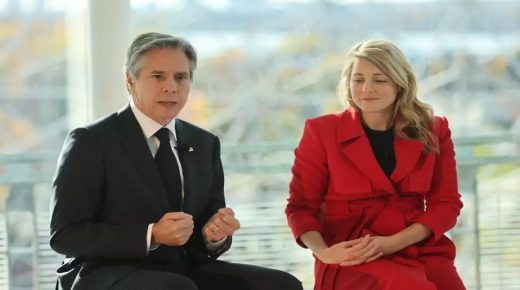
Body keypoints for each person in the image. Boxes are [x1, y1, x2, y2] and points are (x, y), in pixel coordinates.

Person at [50, 32, 303, 290]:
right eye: (158, 76)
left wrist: (213, 235)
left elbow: (206, 229)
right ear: (130, 80)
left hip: (180, 268)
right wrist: (151, 234)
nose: (171, 87)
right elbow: (65, 235)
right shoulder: (91, 140)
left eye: (181, 77)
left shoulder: (204, 142)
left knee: (281, 284)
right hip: (102, 271)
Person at [285, 39, 466, 290]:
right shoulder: (321, 131)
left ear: (400, 83)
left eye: (379, 80)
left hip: (416, 245)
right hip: (355, 249)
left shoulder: (434, 130)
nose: (366, 88)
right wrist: (324, 253)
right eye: (358, 79)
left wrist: (391, 243)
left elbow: (446, 204)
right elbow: (300, 207)